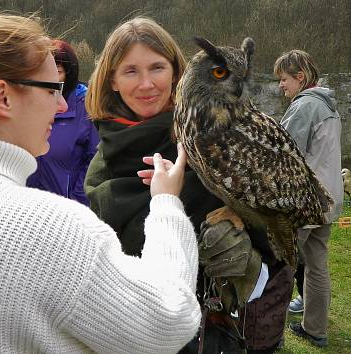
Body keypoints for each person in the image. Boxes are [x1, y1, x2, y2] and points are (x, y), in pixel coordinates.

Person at [0, 13, 204, 353]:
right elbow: (169, 322)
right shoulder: (52, 227)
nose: (63, 104)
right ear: (2, 97)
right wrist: (167, 205)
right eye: (52, 89)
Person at [84, 17, 283, 353]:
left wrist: (251, 258)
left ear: (176, 73)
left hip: (215, 331)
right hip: (134, 331)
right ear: (112, 80)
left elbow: (279, 224)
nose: (146, 83)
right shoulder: (105, 159)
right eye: (130, 71)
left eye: (157, 68)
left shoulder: (217, 136)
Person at [274, 49, 344, 348]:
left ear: (300, 77)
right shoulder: (329, 106)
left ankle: (268, 334)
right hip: (328, 201)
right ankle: (315, 329)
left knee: (278, 268)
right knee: (316, 267)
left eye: (284, 79)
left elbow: (283, 155)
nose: (281, 86)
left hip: (304, 203)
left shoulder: (304, 107)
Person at [26, 39, 99, 205]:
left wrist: (76, 202)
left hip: (70, 208)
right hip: (29, 208)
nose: (51, 79)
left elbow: (94, 160)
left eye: (57, 71)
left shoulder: (86, 106)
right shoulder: (29, 103)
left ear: (69, 72)